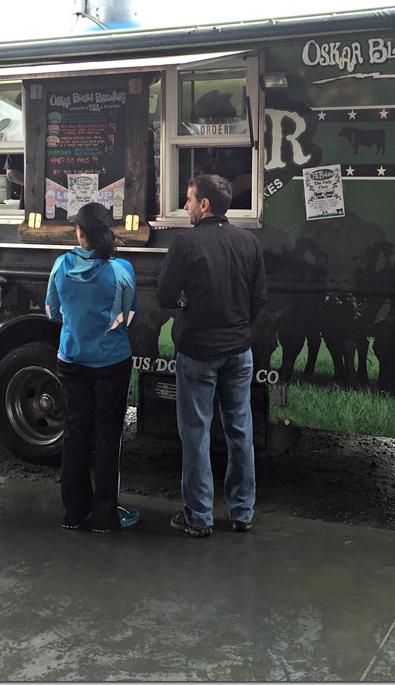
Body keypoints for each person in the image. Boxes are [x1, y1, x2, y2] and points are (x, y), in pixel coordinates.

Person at [157, 173, 267, 537]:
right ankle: (242, 513)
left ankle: (199, 518)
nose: (186, 206)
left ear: (204, 204)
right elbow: (259, 298)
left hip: (198, 353)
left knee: (196, 434)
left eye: (188, 200)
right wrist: (238, 325)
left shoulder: (185, 244)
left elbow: (165, 296)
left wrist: (190, 303)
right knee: (240, 431)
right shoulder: (249, 242)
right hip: (239, 351)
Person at [45, 201, 139, 533]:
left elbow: (52, 313)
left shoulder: (60, 266)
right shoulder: (122, 269)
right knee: (107, 435)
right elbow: (129, 317)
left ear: (80, 232)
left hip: (71, 360)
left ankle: (73, 513)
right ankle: (104, 516)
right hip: (112, 362)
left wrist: (76, 321)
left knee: (74, 433)